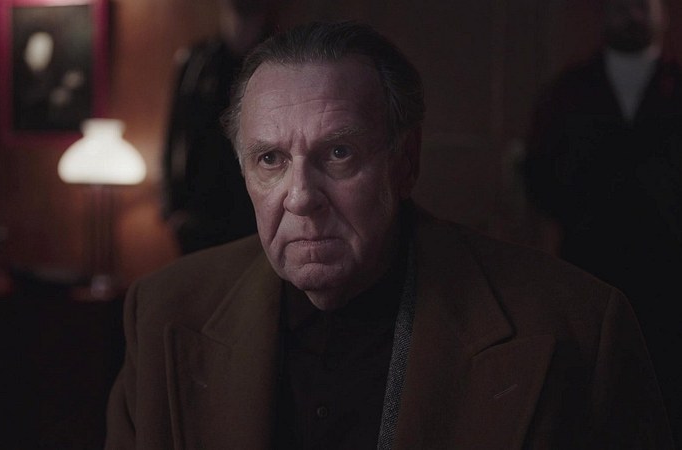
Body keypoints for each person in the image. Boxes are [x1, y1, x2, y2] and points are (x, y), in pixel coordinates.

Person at [107, 22, 673, 449]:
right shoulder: (162, 313)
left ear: (405, 163)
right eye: (270, 159)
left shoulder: (576, 326)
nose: (301, 196)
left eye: (338, 152)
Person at [523, 0, 682, 441]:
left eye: (642, 5)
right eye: (619, 5)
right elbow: (539, 172)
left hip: (671, 276)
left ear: (664, 13)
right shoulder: (567, 91)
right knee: (591, 391)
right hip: (589, 266)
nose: (630, 14)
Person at [161, 0, 276, 254]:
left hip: (257, 212)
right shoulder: (196, 61)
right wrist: (171, 208)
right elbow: (175, 135)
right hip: (199, 214)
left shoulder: (283, 59)